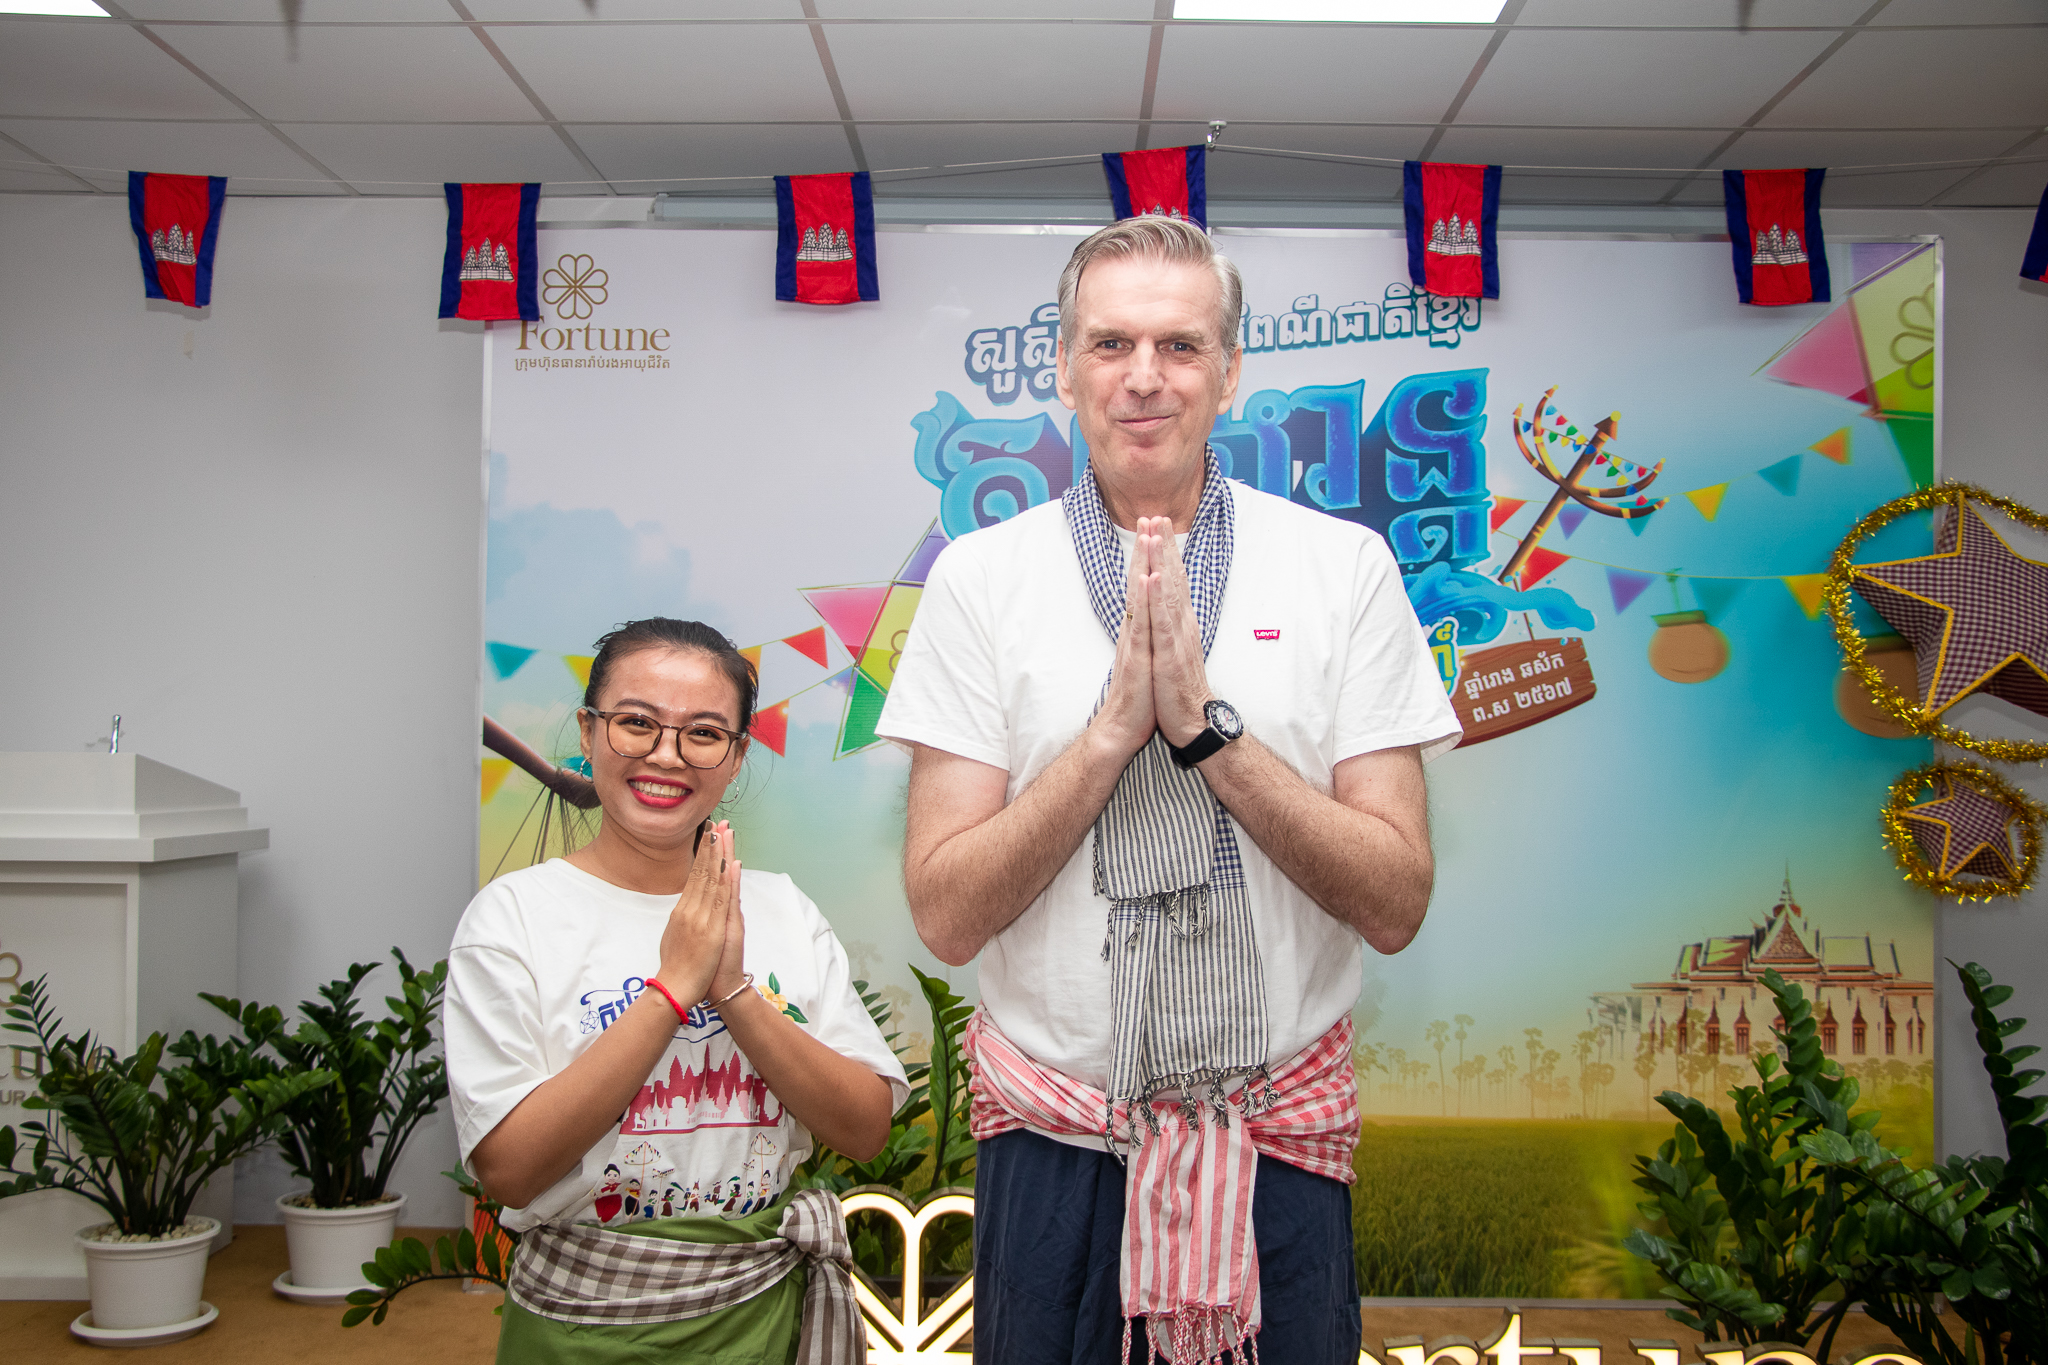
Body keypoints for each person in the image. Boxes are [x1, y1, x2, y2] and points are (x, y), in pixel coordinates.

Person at [876, 216, 1462, 1365]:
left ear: (1229, 371)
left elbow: (1395, 901)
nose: (1142, 376)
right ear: (1063, 367)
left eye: (1179, 345)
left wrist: (1204, 735)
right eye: (1110, 343)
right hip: (1053, 1144)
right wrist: (1108, 736)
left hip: (1273, 1143)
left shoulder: (1339, 568)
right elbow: (946, 914)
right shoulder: (981, 580)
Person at [446, 617, 910, 1365]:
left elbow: (864, 1128)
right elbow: (510, 1168)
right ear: (589, 731)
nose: (666, 754)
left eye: (703, 733)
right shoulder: (513, 917)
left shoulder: (782, 909)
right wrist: (671, 990)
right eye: (636, 723)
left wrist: (733, 991)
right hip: (581, 1324)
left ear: (736, 756)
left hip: (760, 1317)